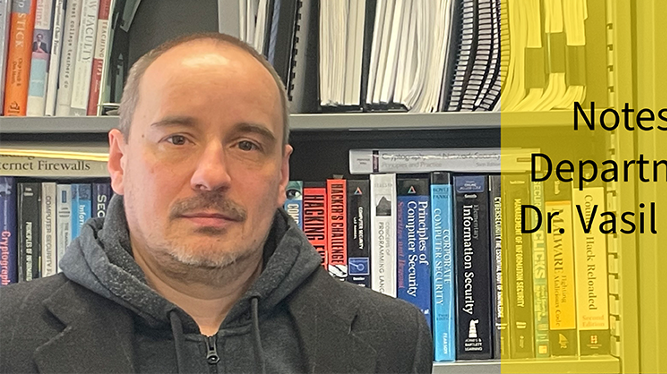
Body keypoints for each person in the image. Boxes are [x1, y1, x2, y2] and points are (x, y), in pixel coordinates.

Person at [0, 32, 433, 373]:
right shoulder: (9, 335)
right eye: (177, 139)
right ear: (120, 160)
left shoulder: (393, 338)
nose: (212, 175)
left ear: (281, 174)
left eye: (246, 144)